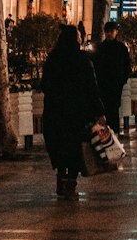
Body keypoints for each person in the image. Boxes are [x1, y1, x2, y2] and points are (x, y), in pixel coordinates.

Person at [42, 24, 107, 200]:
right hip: (76, 112)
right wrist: (100, 112)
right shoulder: (83, 60)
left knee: (59, 145)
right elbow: (92, 89)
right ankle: (69, 183)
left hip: (55, 111)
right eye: (79, 36)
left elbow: (44, 85)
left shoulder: (52, 59)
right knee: (74, 148)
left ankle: (62, 177)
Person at [94, 21, 132, 133]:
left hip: (114, 84)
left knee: (113, 110)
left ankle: (112, 134)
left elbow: (126, 67)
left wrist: (122, 80)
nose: (109, 34)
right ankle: (109, 134)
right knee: (108, 110)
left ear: (116, 32)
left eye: (111, 31)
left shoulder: (120, 49)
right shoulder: (102, 48)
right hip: (105, 84)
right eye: (107, 32)